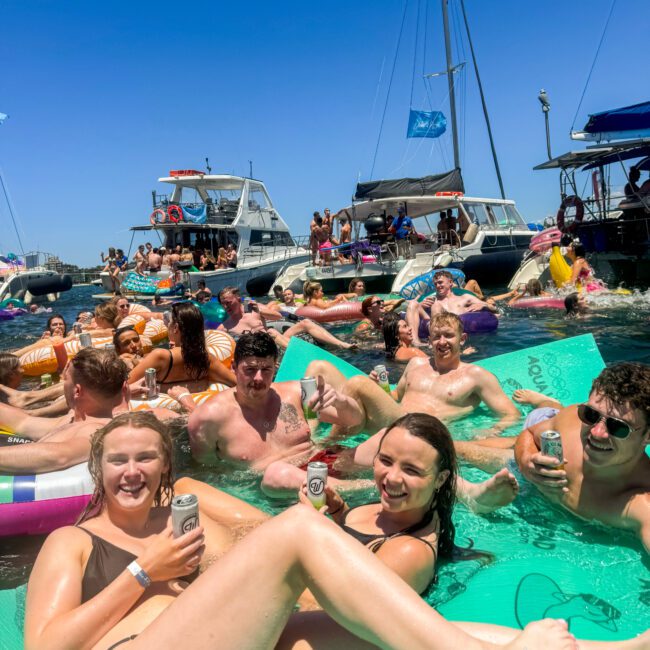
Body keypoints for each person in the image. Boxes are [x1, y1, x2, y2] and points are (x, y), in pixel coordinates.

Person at [24, 412, 591, 650]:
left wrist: (318, 524)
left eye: (145, 458)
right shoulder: (71, 541)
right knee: (297, 532)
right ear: (96, 470)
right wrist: (145, 571)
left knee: (390, 631)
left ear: (164, 466)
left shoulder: (184, 513)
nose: (132, 472)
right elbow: (44, 646)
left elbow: (259, 540)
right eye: (118, 461)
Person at [298, 413, 491, 606]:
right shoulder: (402, 510)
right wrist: (339, 509)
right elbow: (359, 549)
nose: (392, 478)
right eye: (386, 461)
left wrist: (308, 534)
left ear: (440, 479)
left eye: (411, 470)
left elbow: (319, 607)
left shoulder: (409, 553)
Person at [310, 312, 521, 444]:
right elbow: (395, 397)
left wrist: (491, 431)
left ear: (462, 339)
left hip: (417, 432)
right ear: (429, 341)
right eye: (436, 336)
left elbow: (511, 415)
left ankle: (325, 445)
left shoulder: (476, 376)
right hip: (392, 419)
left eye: (448, 335)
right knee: (318, 367)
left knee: (357, 383)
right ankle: (310, 431)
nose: (442, 341)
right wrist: (377, 388)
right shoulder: (416, 364)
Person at [0, 348, 129, 474]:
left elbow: (59, 456)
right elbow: (23, 422)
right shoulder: (75, 419)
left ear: (77, 391)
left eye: (66, 379)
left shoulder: (95, 430)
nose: (63, 384)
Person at [129, 302, 235, 393]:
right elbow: (236, 383)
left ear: (175, 328)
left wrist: (160, 387)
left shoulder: (160, 356)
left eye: (169, 323)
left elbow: (123, 386)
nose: (167, 326)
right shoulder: (206, 359)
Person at [218, 286, 356, 350]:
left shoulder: (253, 308)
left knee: (306, 322)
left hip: (277, 339)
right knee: (272, 333)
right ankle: (302, 355)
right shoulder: (225, 326)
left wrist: (260, 311)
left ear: (238, 298)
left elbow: (277, 315)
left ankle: (342, 345)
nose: (225, 307)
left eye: (228, 302)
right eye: (223, 304)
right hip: (261, 348)